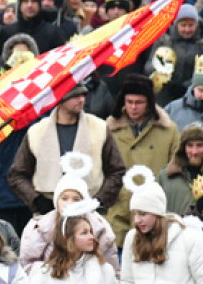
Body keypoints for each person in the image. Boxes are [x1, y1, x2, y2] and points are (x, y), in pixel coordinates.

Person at [8, 84, 127, 216]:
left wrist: (99, 200)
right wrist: (37, 201)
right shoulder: (37, 132)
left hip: (90, 211)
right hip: (47, 212)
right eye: (75, 96)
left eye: (83, 95)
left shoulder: (99, 127)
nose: (81, 100)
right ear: (60, 98)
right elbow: (17, 174)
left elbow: (117, 170)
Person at [105, 75, 181, 246]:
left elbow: (176, 167)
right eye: (129, 101)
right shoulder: (109, 129)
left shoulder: (168, 130)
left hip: (154, 207)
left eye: (139, 102)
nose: (133, 107)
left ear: (149, 102)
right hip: (119, 206)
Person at [19, 168, 120, 276]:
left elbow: (112, 271)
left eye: (76, 199)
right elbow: (27, 267)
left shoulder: (101, 228)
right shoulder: (38, 228)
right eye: (64, 198)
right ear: (57, 201)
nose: (69, 204)